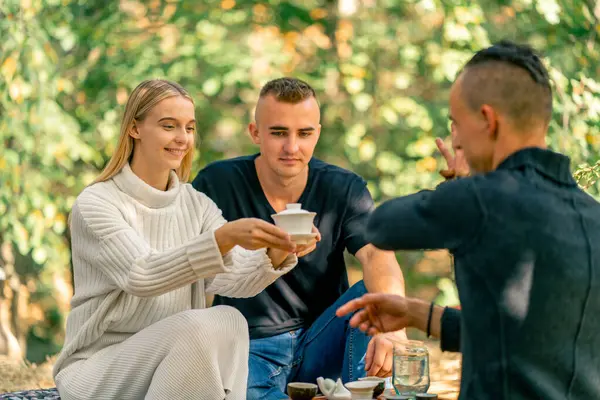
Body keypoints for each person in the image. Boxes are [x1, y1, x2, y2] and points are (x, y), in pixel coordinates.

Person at [338, 41, 600, 399]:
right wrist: (416, 313)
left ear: (488, 122)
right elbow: (513, 335)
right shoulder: (592, 215)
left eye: (456, 125)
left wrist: (463, 186)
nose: (455, 139)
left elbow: (381, 225)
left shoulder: (480, 197)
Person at [53, 79, 318, 400]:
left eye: (189, 128)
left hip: (172, 364)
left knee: (230, 319)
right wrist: (222, 239)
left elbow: (235, 280)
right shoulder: (97, 203)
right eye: (169, 126)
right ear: (135, 128)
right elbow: (143, 274)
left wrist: (278, 252)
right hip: (98, 371)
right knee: (194, 328)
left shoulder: (195, 203)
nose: (182, 139)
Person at [192, 77, 406, 399]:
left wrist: (395, 329)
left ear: (317, 134)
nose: (292, 147)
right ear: (255, 133)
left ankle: (365, 393)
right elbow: (190, 263)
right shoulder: (217, 183)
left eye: (304, 133)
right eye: (278, 133)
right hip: (251, 348)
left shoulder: (344, 188)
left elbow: (377, 255)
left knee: (370, 297)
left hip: (324, 342)